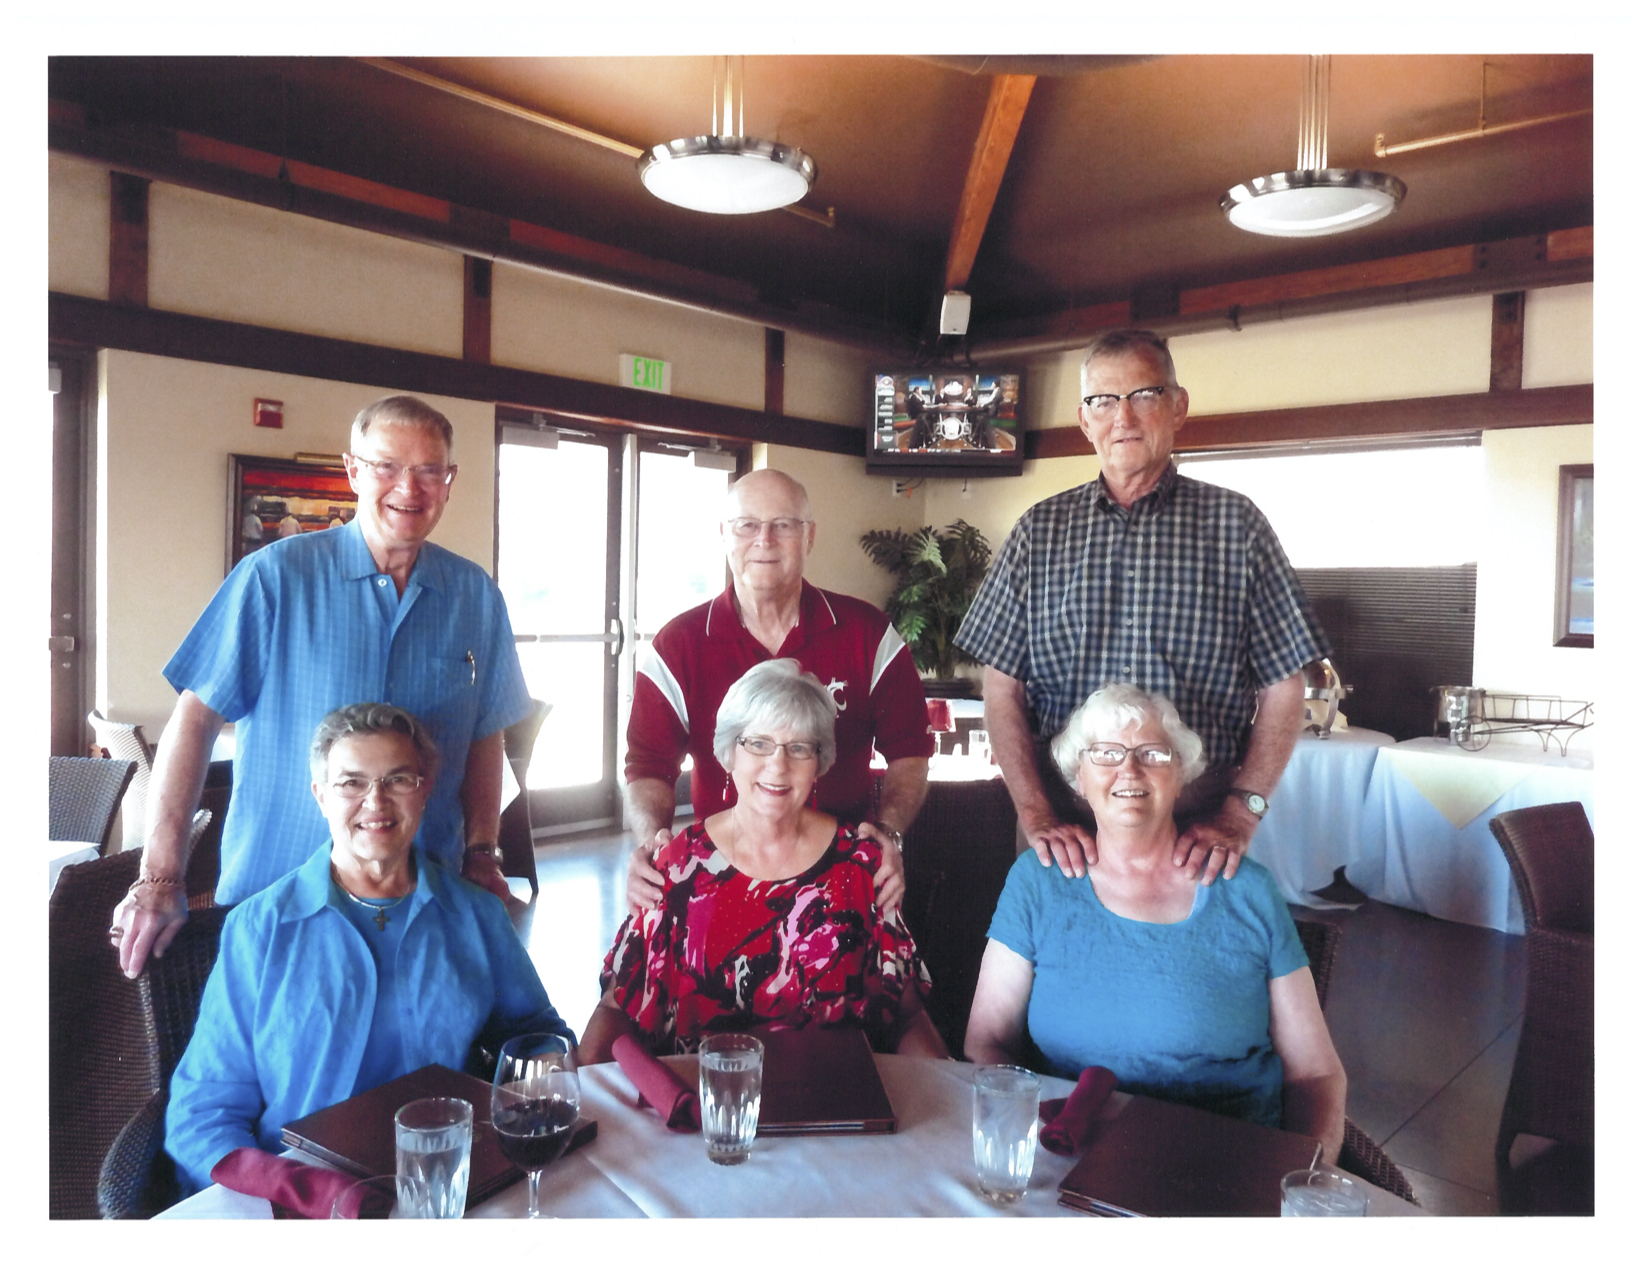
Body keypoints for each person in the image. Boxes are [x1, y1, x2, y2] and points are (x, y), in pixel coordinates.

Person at [111, 394, 532, 979]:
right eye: (387, 465)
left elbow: (485, 733)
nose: (408, 488)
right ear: (354, 471)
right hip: (278, 901)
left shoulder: (475, 596)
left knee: (426, 1069)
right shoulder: (275, 578)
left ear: (449, 480)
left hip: (426, 906)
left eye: (428, 469)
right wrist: (159, 876)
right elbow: (195, 719)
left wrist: (482, 852)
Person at [954, 329, 1330, 885]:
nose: (1121, 417)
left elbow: (1285, 686)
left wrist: (1240, 810)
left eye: (1143, 395)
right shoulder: (1040, 531)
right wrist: (1034, 811)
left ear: (1178, 406)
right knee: (1049, 968)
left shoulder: (1237, 526)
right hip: (1066, 823)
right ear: (1085, 421)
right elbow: (1002, 688)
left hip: (1196, 823)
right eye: (1102, 401)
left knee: (1190, 970)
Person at [165, 704, 571, 1194]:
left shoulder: (476, 916)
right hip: (303, 1196)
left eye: (398, 780)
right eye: (351, 783)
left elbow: (540, 1036)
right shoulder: (259, 930)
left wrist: (538, 1080)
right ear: (320, 796)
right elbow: (203, 1113)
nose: (375, 802)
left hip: (447, 1185)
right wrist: (295, 1192)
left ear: (424, 791)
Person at [963, 684, 1345, 1161]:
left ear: (1182, 775)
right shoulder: (1038, 883)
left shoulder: (1246, 889)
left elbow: (1315, 1074)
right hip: (1072, 1157)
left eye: (1154, 753)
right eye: (1104, 753)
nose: (1129, 769)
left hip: (1224, 1159)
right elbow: (986, 1044)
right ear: (1077, 778)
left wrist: (1303, 1179)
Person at [582, 660, 948, 1062]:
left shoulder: (861, 865)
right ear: (728, 754)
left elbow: (909, 1016)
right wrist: (578, 1095)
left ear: (818, 763)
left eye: (798, 748)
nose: (778, 765)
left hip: (836, 1108)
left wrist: (945, 1104)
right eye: (757, 743)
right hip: (702, 1111)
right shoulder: (676, 866)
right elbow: (616, 1009)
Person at [623, 468, 931, 915]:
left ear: (809, 536)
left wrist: (889, 832)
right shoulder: (678, 644)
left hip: (844, 876)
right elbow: (648, 765)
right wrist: (655, 846)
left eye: (783, 525)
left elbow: (911, 751)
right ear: (724, 534)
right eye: (746, 525)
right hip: (720, 871)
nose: (763, 540)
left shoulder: (868, 633)